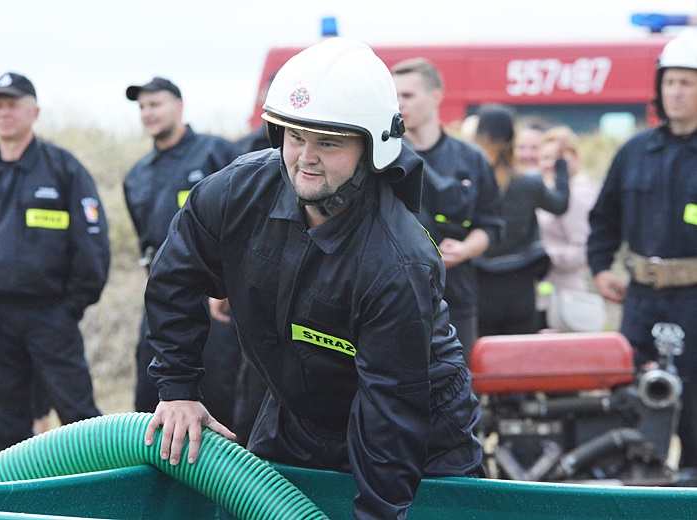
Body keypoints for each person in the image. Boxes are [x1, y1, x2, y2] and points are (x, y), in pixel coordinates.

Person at [143, 37, 483, 518]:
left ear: (372, 149)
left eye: (328, 142)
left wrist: (378, 514)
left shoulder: (396, 261)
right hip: (299, 414)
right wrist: (177, 390)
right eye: (295, 136)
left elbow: (390, 413)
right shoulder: (235, 192)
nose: (305, 157)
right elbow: (174, 279)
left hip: (421, 437)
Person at [0, 72, 110, 452]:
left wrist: (67, 309)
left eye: (12, 104)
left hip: (50, 316)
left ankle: (95, 497)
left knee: (79, 417)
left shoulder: (63, 170)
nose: (4, 112)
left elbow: (93, 248)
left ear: (34, 112)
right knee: (4, 423)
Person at [588, 28, 697, 470]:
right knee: (631, 403)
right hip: (641, 304)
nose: (676, 91)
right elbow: (603, 217)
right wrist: (599, 267)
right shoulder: (634, 151)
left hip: (694, 303)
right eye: (670, 81)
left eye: (687, 82)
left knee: (693, 414)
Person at [123, 77, 240, 416]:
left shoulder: (217, 154)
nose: (148, 113)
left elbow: (247, 222)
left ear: (179, 105)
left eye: (155, 104)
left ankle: (227, 469)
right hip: (163, 300)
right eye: (142, 107)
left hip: (216, 300)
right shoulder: (137, 175)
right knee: (151, 396)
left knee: (221, 395)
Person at [391, 57, 504, 357]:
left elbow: (491, 224)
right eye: (394, 96)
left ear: (435, 96)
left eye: (408, 95)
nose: (399, 103)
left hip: (456, 295)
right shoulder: (383, 157)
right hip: (393, 296)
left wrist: (464, 250)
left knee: (456, 388)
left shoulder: (470, 158)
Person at [472, 104, 569, 336]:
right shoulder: (527, 184)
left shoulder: (470, 182)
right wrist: (561, 164)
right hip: (521, 290)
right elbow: (560, 204)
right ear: (512, 138)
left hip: (478, 287)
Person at [535, 126, 600, 329]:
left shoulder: (577, 195)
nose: (550, 164)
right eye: (544, 157)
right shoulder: (547, 189)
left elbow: (583, 250)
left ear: (575, 158)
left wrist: (544, 255)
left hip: (564, 297)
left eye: (557, 157)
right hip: (545, 294)